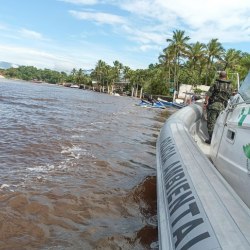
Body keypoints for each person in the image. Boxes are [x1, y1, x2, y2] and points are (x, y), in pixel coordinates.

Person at [203, 71, 232, 144]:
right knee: (219, 124)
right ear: (226, 76)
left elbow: (208, 94)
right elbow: (229, 97)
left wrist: (205, 102)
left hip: (213, 106)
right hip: (223, 108)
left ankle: (211, 140)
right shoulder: (230, 86)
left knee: (211, 123)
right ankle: (218, 140)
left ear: (219, 76)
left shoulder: (215, 84)